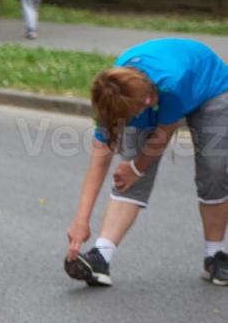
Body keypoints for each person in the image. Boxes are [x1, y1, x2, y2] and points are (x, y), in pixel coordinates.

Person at [65, 39, 228, 288]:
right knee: (127, 173)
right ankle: (101, 256)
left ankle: (214, 255)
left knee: (214, 170)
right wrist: (80, 221)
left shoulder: (169, 85)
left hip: (209, 88)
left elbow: (164, 132)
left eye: (149, 98)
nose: (150, 103)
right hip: (144, 94)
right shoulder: (114, 95)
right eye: (143, 104)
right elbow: (98, 163)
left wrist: (136, 168)